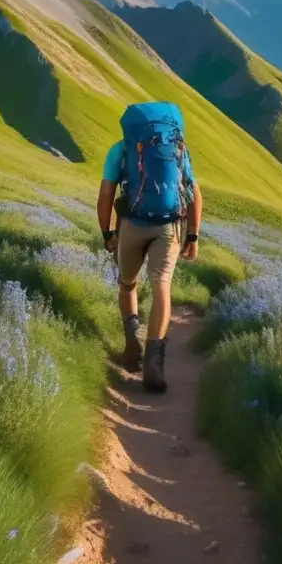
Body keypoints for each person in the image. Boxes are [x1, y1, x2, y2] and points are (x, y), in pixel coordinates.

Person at [96, 102, 203, 393]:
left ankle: (133, 347)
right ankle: (155, 365)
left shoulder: (122, 149)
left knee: (128, 285)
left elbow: (106, 194)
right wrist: (192, 237)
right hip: (169, 227)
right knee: (162, 287)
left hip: (132, 225)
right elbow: (194, 193)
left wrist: (107, 233)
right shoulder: (179, 148)